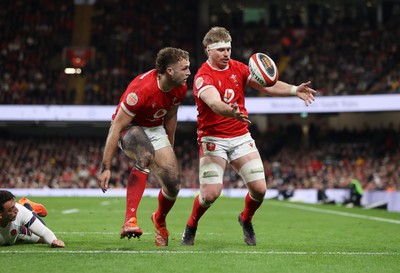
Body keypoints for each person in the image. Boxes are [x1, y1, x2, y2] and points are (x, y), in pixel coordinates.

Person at [181, 26, 317, 246]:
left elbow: (266, 85)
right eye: (221, 50)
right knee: (210, 195)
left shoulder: (238, 68)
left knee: (260, 190)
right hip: (212, 139)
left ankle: (245, 219)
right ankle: (191, 225)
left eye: (229, 49)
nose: (227, 54)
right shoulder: (202, 77)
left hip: (240, 135)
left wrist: (294, 90)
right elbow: (215, 103)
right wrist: (230, 111)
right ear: (208, 50)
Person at [97, 47, 191, 246]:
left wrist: (169, 147)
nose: (189, 73)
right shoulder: (141, 90)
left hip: (155, 128)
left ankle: (159, 219)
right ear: (170, 71)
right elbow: (116, 127)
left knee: (173, 184)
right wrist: (105, 167)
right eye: (185, 68)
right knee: (145, 154)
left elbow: (171, 116)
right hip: (129, 128)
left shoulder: (180, 87)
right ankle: (129, 220)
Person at [0, 190, 65, 247]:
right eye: (10, 209)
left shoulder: (21, 211)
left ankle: (27, 205)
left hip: (19, 230)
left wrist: (54, 241)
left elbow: (44, 231)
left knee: (43, 239)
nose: (16, 210)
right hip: (12, 235)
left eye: (15, 205)